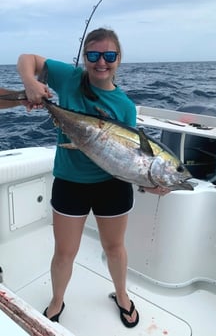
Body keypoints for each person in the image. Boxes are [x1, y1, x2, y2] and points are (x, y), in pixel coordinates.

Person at [0, 27, 168, 327]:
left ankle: (121, 295)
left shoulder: (125, 106)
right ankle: (56, 300)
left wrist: (148, 183)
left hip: (111, 185)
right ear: (85, 58)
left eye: (109, 55)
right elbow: (28, 59)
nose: (100, 62)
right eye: (93, 55)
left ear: (119, 59)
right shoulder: (70, 77)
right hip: (70, 182)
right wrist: (30, 83)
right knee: (64, 252)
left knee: (114, 248)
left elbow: (126, 159)